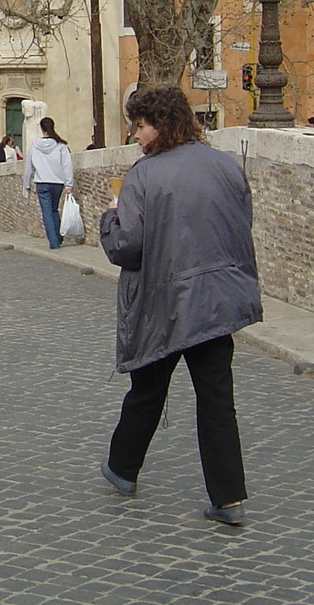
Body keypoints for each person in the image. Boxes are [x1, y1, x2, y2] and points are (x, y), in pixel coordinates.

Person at [99, 86, 260, 527]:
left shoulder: (143, 176)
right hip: (218, 300)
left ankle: (122, 468)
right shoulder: (226, 166)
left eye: (140, 125)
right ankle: (228, 498)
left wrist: (110, 216)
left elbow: (128, 248)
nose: (135, 135)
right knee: (216, 400)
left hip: (165, 301)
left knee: (148, 390)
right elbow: (241, 224)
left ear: (160, 125)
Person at [23, 116, 75, 250]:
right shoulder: (61, 146)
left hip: (42, 182)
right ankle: (58, 236)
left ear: (41, 129)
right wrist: (69, 184)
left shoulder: (35, 146)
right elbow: (67, 165)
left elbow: (28, 166)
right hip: (57, 182)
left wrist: (27, 184)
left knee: (47, 211)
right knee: (54, 209)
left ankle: (54, 241)